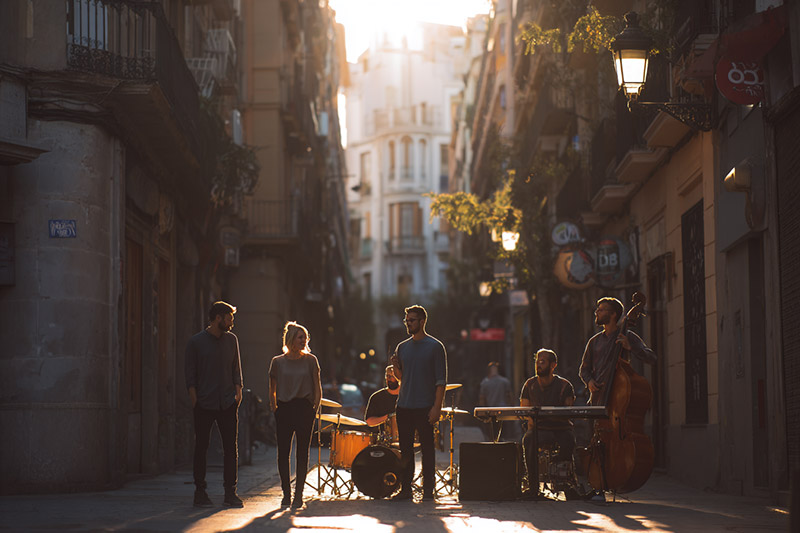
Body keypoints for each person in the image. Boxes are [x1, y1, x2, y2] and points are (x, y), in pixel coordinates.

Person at [185, 301, 244, 508]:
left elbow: (236, 368)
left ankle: (231, 492)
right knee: (202, 447)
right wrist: (195, 401)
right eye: (229, 318)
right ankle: (200, 492)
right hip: (204, 403)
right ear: (218, 318)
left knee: (231, 448)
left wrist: (238, 392)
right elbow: (190, 375)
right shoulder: (196, 342)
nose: (231, 322)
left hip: (227, 403)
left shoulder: (232, 340)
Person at [389, 305, 447, 501]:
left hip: (425, 406)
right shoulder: (402, 347)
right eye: (406, 320)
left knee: (427, 450)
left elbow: (441, 381)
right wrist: (396, 369)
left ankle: (428, 491)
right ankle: (406, 490)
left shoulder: (435, 346)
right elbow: (401, 378)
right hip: (404, 405)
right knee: (405, 450)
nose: (408, 323)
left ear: (422, 321)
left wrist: (437, 407)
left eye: (412, 320)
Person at [269, 321, 322, 509]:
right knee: (283, 453)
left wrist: (313, 408)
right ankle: (286, 494)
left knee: (302, 453)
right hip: (284, 409)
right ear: (291, 339)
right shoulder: (277, 362)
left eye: (305, 337)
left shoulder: (311, 360)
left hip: (304, 408)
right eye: (300, 337)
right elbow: (272, 388)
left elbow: (317, 386)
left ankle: (298, 495)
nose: (304, 340)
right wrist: (275, 407)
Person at [579, 297, 656, 406]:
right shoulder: (594, 341)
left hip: (621, 396)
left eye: (601, 310)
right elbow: (584, 369)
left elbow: (651, 358)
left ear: (613, 314)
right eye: (597, 309)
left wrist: (630, 347)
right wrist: (589, 381)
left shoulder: (627, 336)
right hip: (598, 398)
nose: (596, 312)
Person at [519, 349, 576, 492]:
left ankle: (564, 481)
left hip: (561, 429)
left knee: (569, 440)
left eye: (543, 361)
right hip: (540, 429)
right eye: (537, 361)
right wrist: (531, 420)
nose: (539, 364)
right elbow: (524, 409)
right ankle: (532, 485)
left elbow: (568, 411)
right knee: (529, 439)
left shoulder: (565, 386)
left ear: (553, 365)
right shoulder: (529, 385)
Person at [478, 361, 513, 441]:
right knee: (503, 433)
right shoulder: (505, 381)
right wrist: (511, 406)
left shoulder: (485, 382)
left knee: (492, 433)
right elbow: (510, 396)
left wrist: (482, 412)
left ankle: (493, 443)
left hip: (490, 411)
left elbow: (482, 398)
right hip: (503, 410)